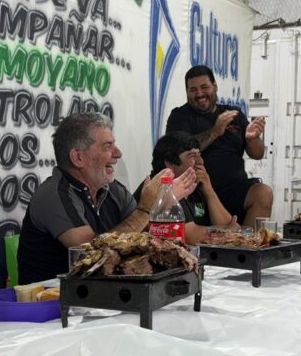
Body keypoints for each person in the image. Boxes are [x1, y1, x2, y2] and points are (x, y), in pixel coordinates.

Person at [18, 112, 197, 283]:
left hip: (102, 291)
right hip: (51, 299)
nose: (118, 153)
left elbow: (142, 237)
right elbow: (91, 254)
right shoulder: (53, 195)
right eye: (107, 146)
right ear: (78, 158)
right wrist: (145, 209)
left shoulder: (112, 189)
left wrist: (163, 203)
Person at [165, 65, 273, 227]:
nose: (199, 94)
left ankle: (248, 242)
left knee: (263, 193)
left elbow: (257, 154)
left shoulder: (233, 114)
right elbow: (179, 150)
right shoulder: (179, 116)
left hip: (235, 190)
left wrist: (252, 139)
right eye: (193, 90)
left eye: (204, 87)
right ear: (186, 92)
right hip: (198, 192)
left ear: (215, 86)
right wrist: (214, 132)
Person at [135, 131, 237, 243]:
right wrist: (230, 232)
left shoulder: (196, 186)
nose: (200, 161)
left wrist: (209, 192)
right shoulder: (161, 187)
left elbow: (230, 226)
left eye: (199, 155)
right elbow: (190, 236)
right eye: (192, 156)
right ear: (170, 164)